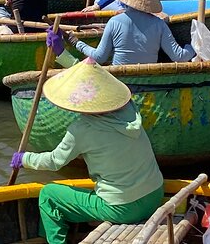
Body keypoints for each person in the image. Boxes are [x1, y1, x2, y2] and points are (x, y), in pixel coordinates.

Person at [10, 58, 164, 244]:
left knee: (48, 195)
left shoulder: (81, 129)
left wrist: (24, 159)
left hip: (123, 208)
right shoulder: (131, 111)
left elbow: (54, 161)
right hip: (156, 194)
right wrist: (62, 55)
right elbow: (93, 76)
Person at [70, 0, 195, 65]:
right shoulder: (159, 24)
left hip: (120, 82)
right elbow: (179, 57)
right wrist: (192, 47)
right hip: (148, 81)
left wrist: (77, 43)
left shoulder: (114, 22)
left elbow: (100, 57)